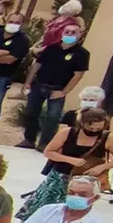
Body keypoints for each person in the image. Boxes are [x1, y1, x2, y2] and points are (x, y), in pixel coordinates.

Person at [19, 107, 113, 220]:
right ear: (82, 123)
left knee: (72, 213)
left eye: (98, 128)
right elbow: (49, 152)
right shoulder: (67, 133)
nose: (94, 130)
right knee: (42, 209)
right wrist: (71, 160)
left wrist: (102, 167)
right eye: (90, 127)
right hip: (60, 177)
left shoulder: (108, 137)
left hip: (84, 181)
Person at [20, 8, 90, 151]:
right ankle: (29, 139)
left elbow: (78, 75)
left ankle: (45, 143)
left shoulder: (82, 54)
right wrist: (27, 83)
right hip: (39, 84)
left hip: (57, 89)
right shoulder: (51, 48)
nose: (69, 34)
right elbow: (37, 65)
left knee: (52, 117)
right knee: (32, 112)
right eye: (67, 32)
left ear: (80, 34)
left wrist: (64, 92)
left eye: (73, 32)